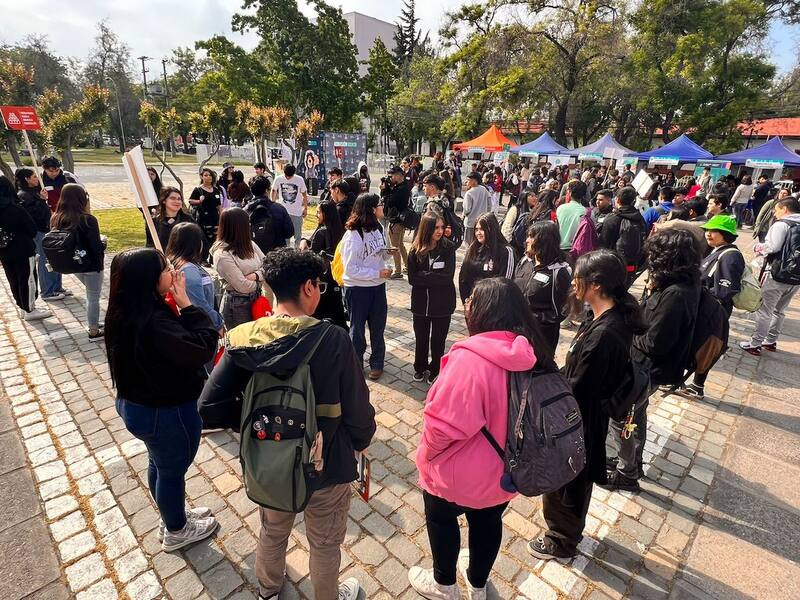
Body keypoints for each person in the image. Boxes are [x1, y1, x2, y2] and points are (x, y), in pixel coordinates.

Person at [197, 248, 375, 600]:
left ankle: (267, 589)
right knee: (324, 543)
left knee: (273, 530)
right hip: (328, 462)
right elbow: (357, 408)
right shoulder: (333, 338)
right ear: (309, 287)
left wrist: (256, 422)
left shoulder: (243, 338)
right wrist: (362, 440)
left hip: (271, 459)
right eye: (319, 286)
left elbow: (208, 407)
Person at [410, 277, 557, 600]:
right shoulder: (530, 351)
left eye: (472, 300)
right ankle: (478, 586)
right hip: (506, 472)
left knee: (441, 519)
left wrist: (426, 456)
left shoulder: (470, 359)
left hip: (457, 475)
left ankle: (444, 585)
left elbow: (443, 427)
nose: (467, 305)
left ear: (485, 311)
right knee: (488, 522)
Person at [528, 250, 647, 561]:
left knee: (567, 479)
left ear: (595, 285)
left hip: (579, 418)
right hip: (585, 414)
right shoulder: (608, 317)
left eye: (577, 277)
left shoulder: (605, 333)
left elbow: (579, 388)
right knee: (574, 476)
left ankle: (561, 540)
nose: (573, 283)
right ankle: (567, 532)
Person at [105, 248, 219, 552]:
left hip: (138, 406)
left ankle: (172, 515)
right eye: (166, 268)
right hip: (165, 412)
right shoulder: (153, 322)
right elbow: (203, 347)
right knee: (171, 469)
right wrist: (187, 303)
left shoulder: (126, 309)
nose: (173, 271)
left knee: (160, 462)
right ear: (148, 280)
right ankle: (177, 529)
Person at [605, 229, 701, 492]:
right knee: (636, 414)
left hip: (647, 368)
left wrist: (625, 329)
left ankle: (627, 473)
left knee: (621, 416)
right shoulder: (675, 284)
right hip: (645, 368)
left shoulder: (677, 294)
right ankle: (631, 460)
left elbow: (655, 342)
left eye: (655, 254)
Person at [676, 215, 743, 400]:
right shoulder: (717, 251)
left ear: (726, 234)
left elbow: (725, 289)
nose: (708, 234)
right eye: (707, 230)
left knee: (703, 347)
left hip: (712, 312)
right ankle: (688, 382)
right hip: (704, 308)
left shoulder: (730, 257)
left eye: (713, 231)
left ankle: (697, 386)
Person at [341, 193, 393, 380]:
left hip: (377, 287)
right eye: (380, 204)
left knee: (378, 328)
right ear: (371, 209)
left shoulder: (378, 228)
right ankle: (356, 363)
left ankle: (377, 363)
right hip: (357, 289)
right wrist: (376, 273)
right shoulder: (353, 235)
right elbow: (350, 269)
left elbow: (381, 255)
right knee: (357, 329)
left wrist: (388, 253)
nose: (382, 207)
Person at [739, 197, 800, 355]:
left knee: (765, 310)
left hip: (777, 274)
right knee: (780, 310)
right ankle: (771, 341)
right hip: (796, 276)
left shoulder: (782, 224)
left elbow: (772, 247)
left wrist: (758, 247)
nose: (775, 212)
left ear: (785, 209)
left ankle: (755, 343)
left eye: (777, 209)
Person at [50, 184, 106, 338]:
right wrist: (103, 242)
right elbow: (96, 247)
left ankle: (93, 321)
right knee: (93, 296)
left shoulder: (56, 217)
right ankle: (93, 329)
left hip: (72, 263)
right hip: (92, 264)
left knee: (91, 294)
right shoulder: (88, 219)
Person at [407, 212, 457, 385]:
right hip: (421, 304)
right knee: (421, 337)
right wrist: (433, 276)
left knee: (438, 339)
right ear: (427, 228)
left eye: (442, 227)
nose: (440, 231)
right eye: (436, 227)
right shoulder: (415, 249)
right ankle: (420, 367)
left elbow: (447, 276)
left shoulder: (448, 248)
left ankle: (436, 368)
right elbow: (412, 278)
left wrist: (424, 276)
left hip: (442, 304)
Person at [513, 221, 572, 352]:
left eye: (532, 237)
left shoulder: (559, 272)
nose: (527, 240)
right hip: (516, 331)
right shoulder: (525, 262)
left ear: (544, 241)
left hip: (541, 339)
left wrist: (533, 318)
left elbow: (562, 310)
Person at [0, 175, 49, 320]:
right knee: (27, 278)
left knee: (13, 278)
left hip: (4, 250)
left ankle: (22, 306)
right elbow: (32, 229)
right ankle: (29, 308)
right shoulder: (15, 208)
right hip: (22, 249)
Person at [15, 167, 67, 300]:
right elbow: (34, 215)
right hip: (39, 231)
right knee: (45, 260)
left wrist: (43, 199)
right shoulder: (23, 195)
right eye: (34, 177)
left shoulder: (34, 192)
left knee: (55, 257)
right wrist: (43, 201)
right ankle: (47, 291)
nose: (37, 179)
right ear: (27, 179)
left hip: (47, 229)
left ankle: (56, 286)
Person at [211, 208, 267, 330]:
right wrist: (260, 281)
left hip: (257, 299)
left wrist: (256, 276)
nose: (250, 226)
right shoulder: (222, 254)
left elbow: (268, 265)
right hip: (237, 306)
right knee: (242, 343)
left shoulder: (250, 244)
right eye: (247, 223)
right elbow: (242, 286)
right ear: (239, 227)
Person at [165, 222, 224, 335]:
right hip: (202, 328)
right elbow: (199, 304)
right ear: (197, 243)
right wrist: (218, 324)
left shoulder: (177, 265)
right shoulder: (188, 270)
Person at [300, 201, 348, 329]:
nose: (316, 215)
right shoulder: (341, 231)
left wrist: (304, 248)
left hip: (322, 283)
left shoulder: (322, 232)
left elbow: (311, 258)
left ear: (325, 214)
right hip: (336, 278)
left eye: (318, 212)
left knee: (319, 316)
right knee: (337, 314)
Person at [458, 212, 515, 303]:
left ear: (491, 229)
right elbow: (463, 277)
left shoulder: (506, 251)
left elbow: (505, 282)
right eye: (476, 229)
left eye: (482, 229)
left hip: (493, 305)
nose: (478, 233)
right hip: (473, 303)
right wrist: (466, 301)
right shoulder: (472, 249)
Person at [599, 186, 647, 287]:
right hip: (631, 267)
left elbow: (603, 244)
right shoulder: (640, 219)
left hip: (612, 265)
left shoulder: (612, 218)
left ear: (617, 199)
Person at [245, 176, 294, 255]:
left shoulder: (245, 211)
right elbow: (289, 232)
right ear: (266, 191)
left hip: (253, 255)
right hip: (277, 253)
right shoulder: (279, 209)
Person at [381, 166, 411, 279]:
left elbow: (390, 202)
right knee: (400, 245)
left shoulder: (400, 189)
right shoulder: (402, 187)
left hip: (397, 221)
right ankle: (408, 266)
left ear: (399, 175)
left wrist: (385, 190)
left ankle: (398, 271)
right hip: (399, 220)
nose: (390, 177)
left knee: (395, 247)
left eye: (392, 175)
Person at [146, 186, 195, 252]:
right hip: (162, 259)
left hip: (184, 259)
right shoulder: (153, 221)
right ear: (164, 201)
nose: (177, 201)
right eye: (173, 198)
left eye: (179, 199)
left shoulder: (188, 219)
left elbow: (199, 241)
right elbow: (150, 244)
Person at [272, 163, 308, 246]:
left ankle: (298, 253)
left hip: (297, 212)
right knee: (285, 235)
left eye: (290, 176)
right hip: (283, 212)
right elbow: (273, 190)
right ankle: (287, 252)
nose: (287, 178)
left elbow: (304, 194)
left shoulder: (299, 179)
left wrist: (305, 208)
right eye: (286, 175)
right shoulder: (278, 179)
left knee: (298, 235)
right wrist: (273, 204)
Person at [188, 168, 222, 254]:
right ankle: (203, 257)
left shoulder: (216, 190)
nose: (208, 177)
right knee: (204, 238)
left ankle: (213, 257)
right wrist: (199, 201)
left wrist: (222, 216)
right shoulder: (198, 190)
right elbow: (190, 200)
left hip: (214, 218)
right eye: (206, 175)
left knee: (215, 238)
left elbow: (219, 205)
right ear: (201, 177)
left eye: (210, 175)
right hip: (203, 218)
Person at [556, 180, 590, 252]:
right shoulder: (588, 212)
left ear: (570, 193)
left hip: (560, 248)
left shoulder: (560, 208)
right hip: (579, 249)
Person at [462, 172, 491, 245]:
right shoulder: (484, 189)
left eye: (469, 180)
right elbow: (489, 205)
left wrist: (464, 215)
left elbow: (467, 210)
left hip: (471, 223)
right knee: (480, 243)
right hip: (482, 221)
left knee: (469, 244)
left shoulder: (469, 193)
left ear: (474, 181)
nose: (467, 182)